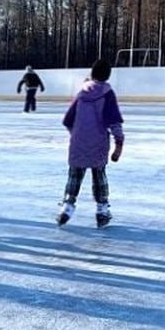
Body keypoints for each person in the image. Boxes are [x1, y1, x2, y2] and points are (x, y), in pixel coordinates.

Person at [56, 59, 124, 228]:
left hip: (78, 142)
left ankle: (67, 207)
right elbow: (114, 120)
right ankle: (102, 211)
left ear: (92, 73)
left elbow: (67, 120)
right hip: (98, 143)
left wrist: (77, 134)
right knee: (99, 176)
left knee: (74, 175)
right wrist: (119, 144)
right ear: (107, 76)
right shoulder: (107, 94)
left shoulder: (81, 93)